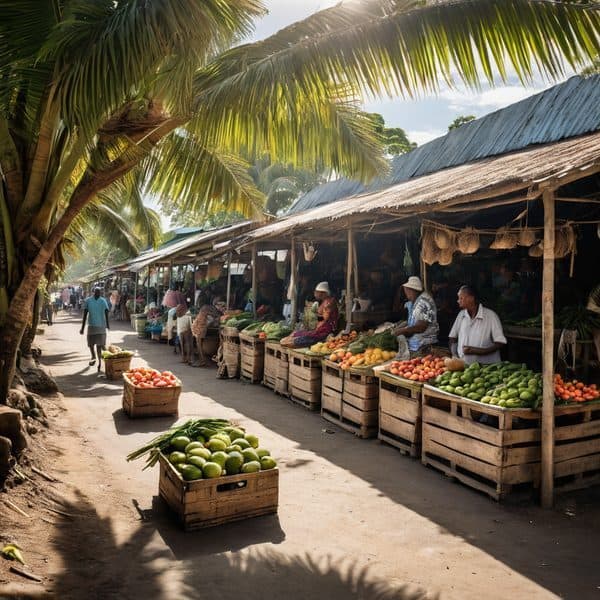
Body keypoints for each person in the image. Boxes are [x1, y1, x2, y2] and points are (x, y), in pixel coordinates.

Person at [448, 285, 507, 364]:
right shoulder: (461, 315)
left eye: (461, 298)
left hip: (487, 367)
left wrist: (477, 351)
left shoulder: (491, 316)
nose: (458, 301)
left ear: (471, 298)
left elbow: (500, 343)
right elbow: (453, 337)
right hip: (465, 367)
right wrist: (454, 355)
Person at [393, 276, 439, 355]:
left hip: (424, 345)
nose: (407, 295)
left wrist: (402, 330)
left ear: (412, 290)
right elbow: (413, 322)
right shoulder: (417, 301)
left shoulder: (424, 302)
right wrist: (402, 326)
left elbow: (420, 327)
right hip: (417, 345)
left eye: (406, 292)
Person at [284, 282, 339, 348]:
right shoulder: (324, 302)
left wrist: (316, 330)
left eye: (317, 292)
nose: (315, 293)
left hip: (325, 331)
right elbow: (321, 319)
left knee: (294, 340)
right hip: (320, 329)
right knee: (295, 334)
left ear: (323, 293)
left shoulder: (329, 303)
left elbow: (325, 319)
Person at [80, 287, 110, 372]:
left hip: (101, 326)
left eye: (99, 292)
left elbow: (106, 312)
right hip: (91, 325)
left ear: (100, 293)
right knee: (91, 344)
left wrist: (107, 324)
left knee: (99, 346)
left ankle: (100, 363)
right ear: (93, 292)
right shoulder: (88, 301)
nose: (98, 293)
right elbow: (85, 314)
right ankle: (93, 356)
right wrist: (82, 328)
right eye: (97, 292)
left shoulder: (103, 301)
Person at [191, 297, 226, 366]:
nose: (221, 307)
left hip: (199, 326)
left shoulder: (207, 308)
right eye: (220, 305)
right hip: (199, 326)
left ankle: (202, 360)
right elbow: (216, 316)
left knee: (199, 344)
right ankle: (202, 360)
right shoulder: (210, 309)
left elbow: (215, 317)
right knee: (199, 344)